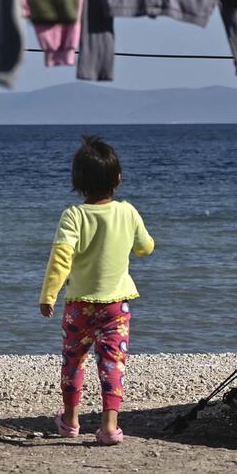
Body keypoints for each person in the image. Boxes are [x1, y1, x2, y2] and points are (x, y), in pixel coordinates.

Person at [39, 135, 154, 445]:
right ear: (117, 178)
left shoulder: (73, 216)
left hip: (79, 305)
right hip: (117, 305)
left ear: (77, 182)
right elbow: (146, 247)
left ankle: (71, 420)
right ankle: (109, 426)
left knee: (73, 361)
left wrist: (49, 294)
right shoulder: (128, 212)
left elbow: (61, 258)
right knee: (113, 363)